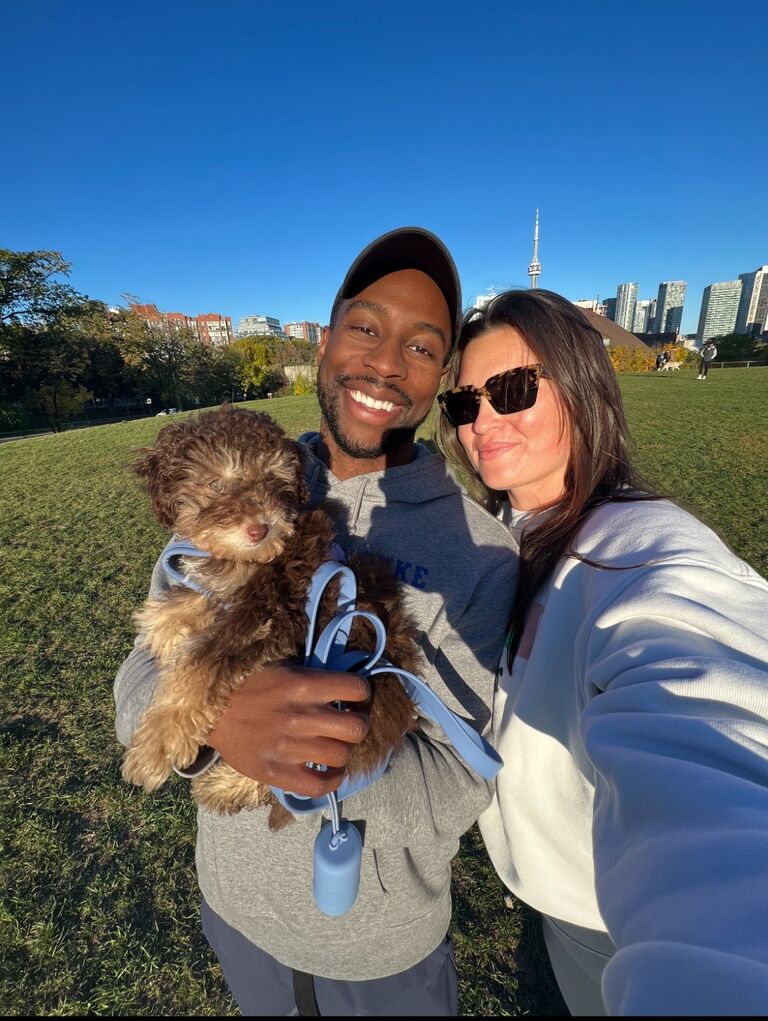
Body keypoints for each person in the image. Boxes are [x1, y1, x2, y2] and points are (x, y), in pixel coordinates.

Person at [114, 228, 517, 1016]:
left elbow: (463, 778)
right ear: (326, 340)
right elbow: (142, 665)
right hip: (234, 917)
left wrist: (321, 759)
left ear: (441, 377)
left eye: (423, 346)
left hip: (380, 955)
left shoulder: (480, 552)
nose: (387, 362)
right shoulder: (234, 479)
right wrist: (217, 729)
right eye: (366, 328)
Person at [434, 288, 768, 1016]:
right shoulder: (501, 529)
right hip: (560, 902)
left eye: (513, 390)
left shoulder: (640, 551)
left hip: (614, 920)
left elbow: (707, 703)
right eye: (464, 404)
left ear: (582, 390)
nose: (483, 421)